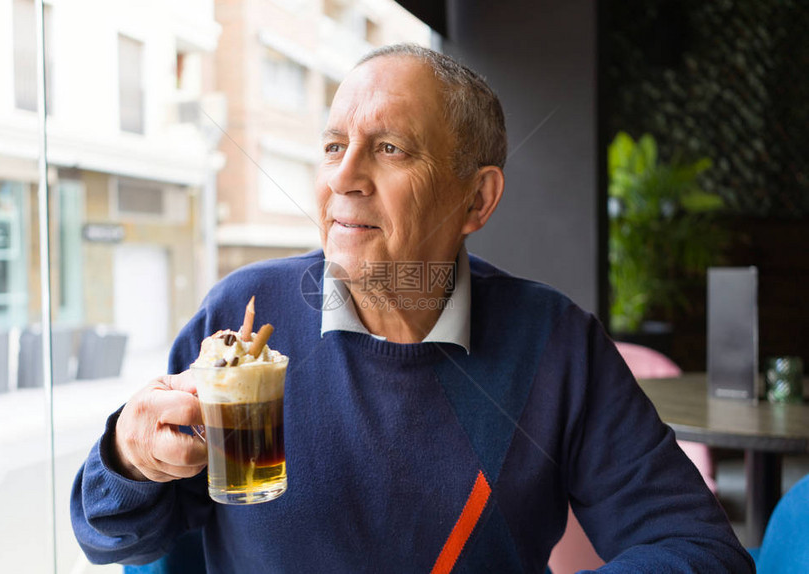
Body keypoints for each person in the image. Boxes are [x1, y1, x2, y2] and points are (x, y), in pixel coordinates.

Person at [71, 44, 753, 573]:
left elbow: (697, 546)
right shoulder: (240, 311)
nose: (342, 176)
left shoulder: (555, 344)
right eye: (334, 146)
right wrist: (129, 456)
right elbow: (113, 533)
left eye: (389, 149)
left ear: (476, 201)